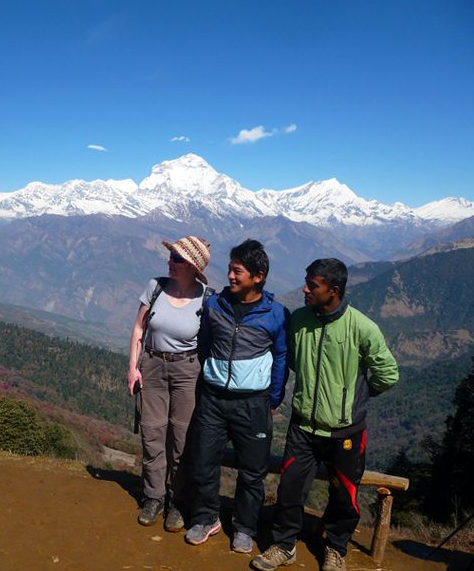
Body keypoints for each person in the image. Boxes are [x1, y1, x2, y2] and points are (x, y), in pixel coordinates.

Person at [251, 258, 399, 571]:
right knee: (290, 490)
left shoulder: (361, 327)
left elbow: (388, 372)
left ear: (333, 290)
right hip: (303, 426)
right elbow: (292, 359)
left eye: (312, 285)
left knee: (344, 496)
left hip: (346, 431)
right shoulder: (299, 320)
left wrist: (359, 396)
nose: (304, 289)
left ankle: (336, 549)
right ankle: (284, 545)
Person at [186, 239, 288, 554]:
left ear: (258, 276)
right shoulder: (215, 305)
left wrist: (272, 398)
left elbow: (282, 357)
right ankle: (206, 518)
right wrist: (214, 377)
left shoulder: (276, 314)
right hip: (214, 399)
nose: (230, 276)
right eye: (230, 269)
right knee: (203, 461)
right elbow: (204, 345)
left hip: (253, 403)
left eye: (237, 271)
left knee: (253, 471)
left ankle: (245, 528)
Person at [127, 236, 212, 531]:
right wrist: (132, 368)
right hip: (151, 365)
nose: (169, 262)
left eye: (176, 259)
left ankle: (178, 501)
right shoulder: (156, 287)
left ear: (191, 266)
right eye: (171, 257)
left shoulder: (206, 297)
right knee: (151, 434)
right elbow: (139, 327)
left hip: (188, 371)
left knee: (182, 439)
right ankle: (153, 497)